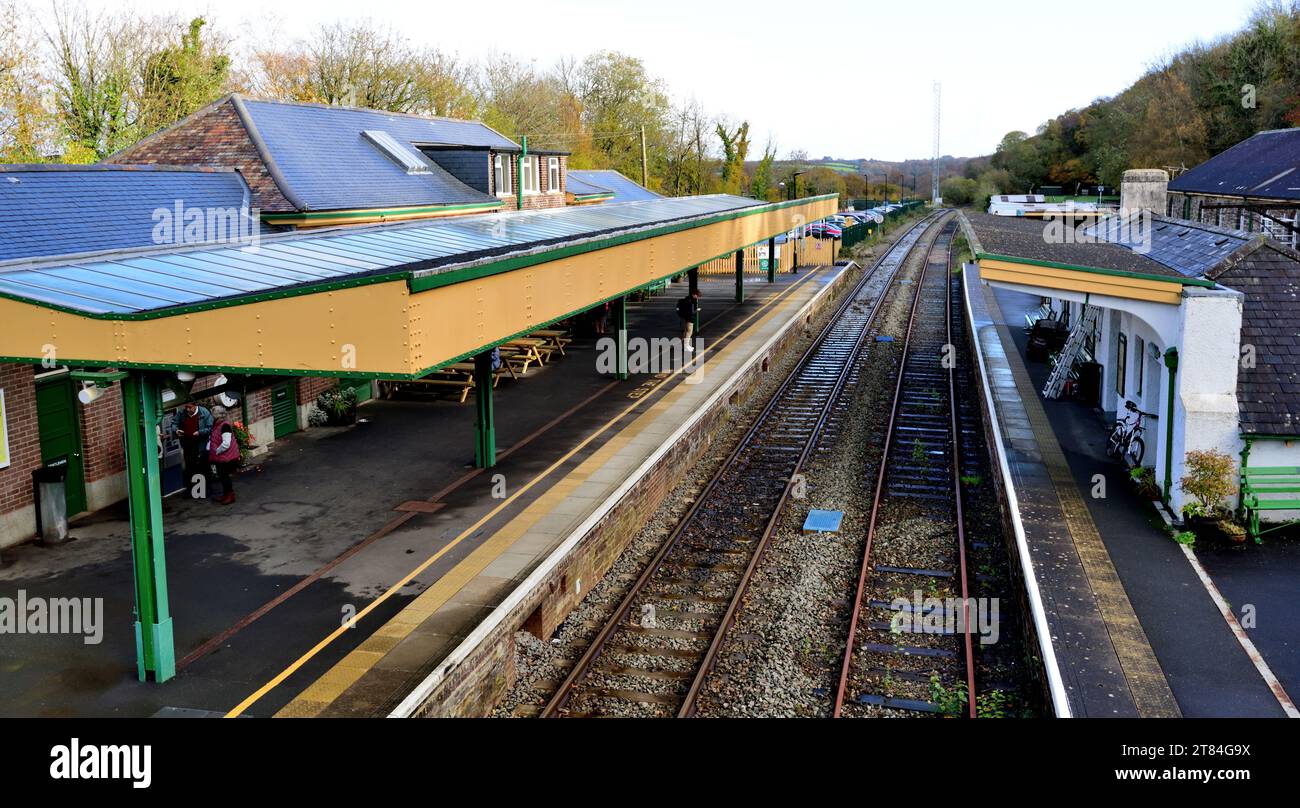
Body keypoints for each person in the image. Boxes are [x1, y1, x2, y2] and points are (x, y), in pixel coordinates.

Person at [171, 401, 212, 496]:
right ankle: (192, 491)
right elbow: (174, 423)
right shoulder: (182, 413)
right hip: (187, 443)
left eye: (190, 407)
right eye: (186, 407)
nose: (187, 409)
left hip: (201, 444)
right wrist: (176, 430)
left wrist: (200, 432)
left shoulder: (204, 412)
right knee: (190, 467)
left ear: (195, 405)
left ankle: (204, 491)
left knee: (203, 467)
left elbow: (210, 428)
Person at [208, 405, 241, 505]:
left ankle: (230, 496)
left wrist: (217, 451)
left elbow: (226, 443)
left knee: (224, 476)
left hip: (226, 457)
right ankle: (226, 495)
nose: (211, 417)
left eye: (212, 416)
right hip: (222, 457)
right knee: (222, 476)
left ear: (217, 416)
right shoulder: (217, 425)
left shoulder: (225, 426)